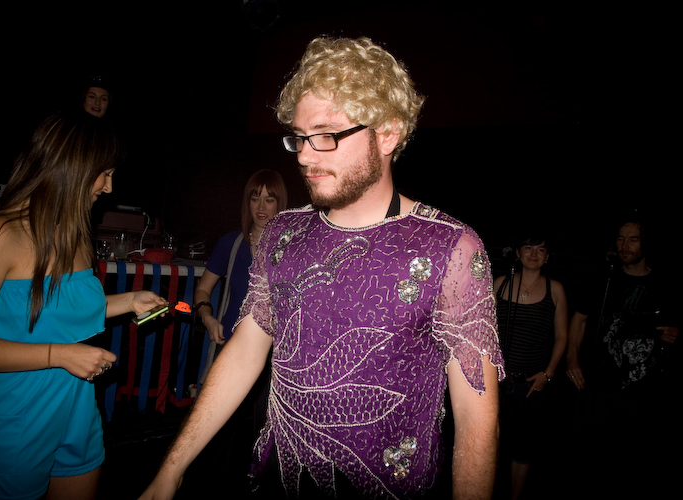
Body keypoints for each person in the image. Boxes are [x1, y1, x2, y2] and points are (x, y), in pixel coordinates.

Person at [140, 36, 504, 500]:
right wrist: (172, 469)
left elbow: (477, 421)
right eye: (299, 137)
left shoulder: (451, 248)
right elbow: (246, 349)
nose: (305, 156)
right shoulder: (282, 233)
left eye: (327, 135)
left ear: (387, 133)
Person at [0, 112, 167, 500]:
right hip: (15, 416)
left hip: (77, 408)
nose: (109, 187)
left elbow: (60, 313)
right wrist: (59, 355)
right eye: (104, 173)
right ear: (73, 166)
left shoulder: (76, 235)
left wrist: (129, 301)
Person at [565, 211, 680, 498]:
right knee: (589, 462)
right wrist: (573, 360)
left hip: (642, 393)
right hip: (600, 387)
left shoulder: (663, 283)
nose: (624, 245)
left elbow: (673, 328)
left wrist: (674, 334)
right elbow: (579, 318)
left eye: (633, 239)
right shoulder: (603, 279)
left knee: (630, 466)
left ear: (645, 243)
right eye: (620, 239)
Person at [188, 169, 287, 497]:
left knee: (265, 439)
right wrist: (207, 317)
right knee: (216, 434)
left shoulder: (290, 248)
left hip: (274, 358)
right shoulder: (231, 243)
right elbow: (202, 290)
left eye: (269, 199)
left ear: (280, 203)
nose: (261, 206)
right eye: (255, 197)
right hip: (230, 349)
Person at [493, 235, 568, 500]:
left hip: (531, 385)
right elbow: (484, 329)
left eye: (540, 249)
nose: (534, 254)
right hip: (497, 382)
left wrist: (549, 373)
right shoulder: (501, 284)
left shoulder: (554, 289)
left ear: (547, 256)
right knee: (490, 444)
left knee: (523, 449)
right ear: (517, 253)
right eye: (528, 248)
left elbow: (562, 336)